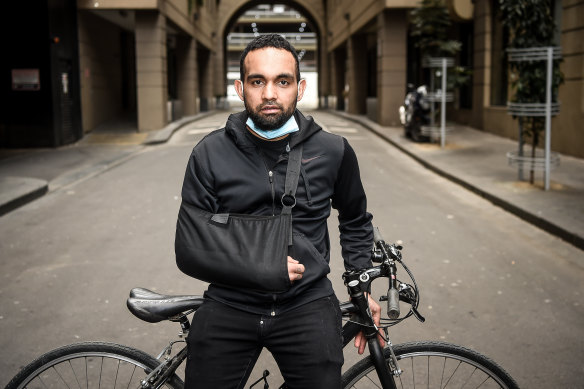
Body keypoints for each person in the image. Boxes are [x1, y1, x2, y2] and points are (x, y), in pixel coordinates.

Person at [176, 33, 381, 388]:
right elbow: (190, 246)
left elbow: (355, 219)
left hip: (307, 303)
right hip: (230, 303)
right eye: (258, 81)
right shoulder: (208, 153)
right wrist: (263, 263)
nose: (269, 94)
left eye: (282, 81)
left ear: (299, 88)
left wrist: (360, 282)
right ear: (241, 88)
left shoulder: (334, 150)